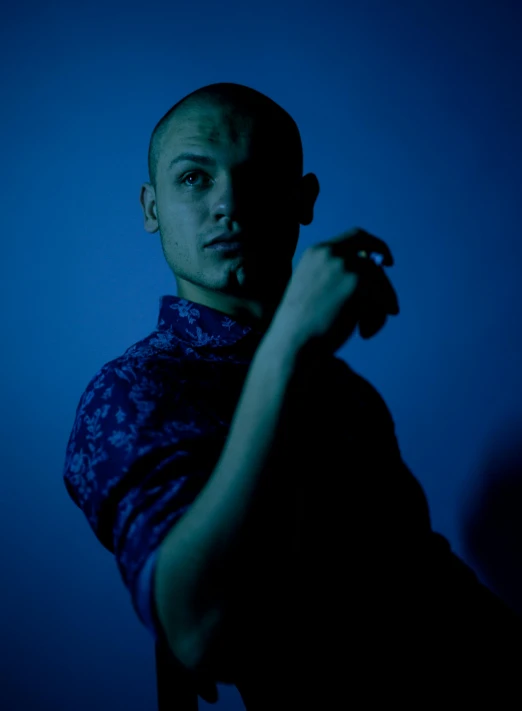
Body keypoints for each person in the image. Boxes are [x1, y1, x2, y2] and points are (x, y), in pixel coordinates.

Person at [63, 82, 521, 708]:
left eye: (261, 175)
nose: (230, 202)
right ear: (151, 207)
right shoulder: (131, 392)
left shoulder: (344, 391)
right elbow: (200, 632)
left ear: (302, 200)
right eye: (194, 178)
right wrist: (288, 348)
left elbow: (422, 577)